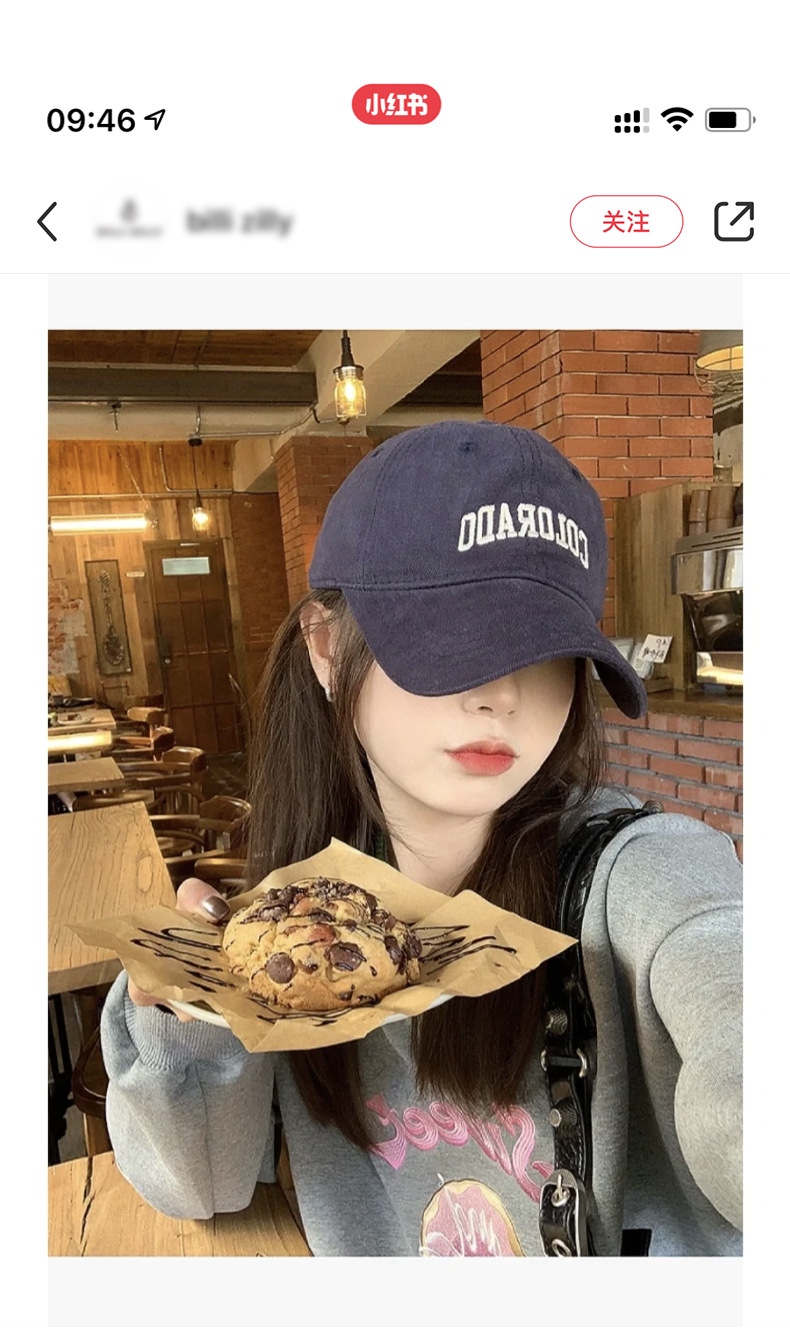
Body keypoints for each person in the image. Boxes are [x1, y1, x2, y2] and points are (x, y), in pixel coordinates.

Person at [100, 419, 742, 1257]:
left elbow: (727, 981)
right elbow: (201, 1184)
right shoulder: (303, 938)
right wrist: (191, 1012)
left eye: (545, 646)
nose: (502, 695)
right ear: (325, 647)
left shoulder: (643, 879)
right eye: (454, 636)